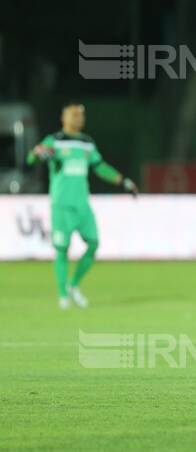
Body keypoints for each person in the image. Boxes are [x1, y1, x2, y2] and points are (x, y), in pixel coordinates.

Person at [27, 102, 138, 309]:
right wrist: (36, 152)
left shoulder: (87, 143)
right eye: (73, 115)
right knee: (62, 249)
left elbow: (100, 167)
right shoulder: (55, 141)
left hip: (82, 204)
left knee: (94, 243)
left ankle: (73, 285)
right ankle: (62, 296)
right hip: (61, 205)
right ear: (63, 118)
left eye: (80, 115)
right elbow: (32, 158)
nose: (78, 118)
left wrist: (123, 181)